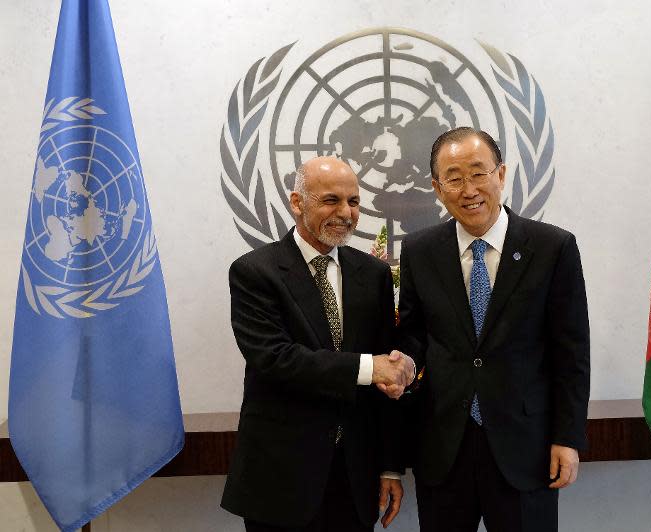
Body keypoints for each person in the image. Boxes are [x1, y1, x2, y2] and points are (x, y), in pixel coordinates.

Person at [398, 127, 590, 532]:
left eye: (478, 172)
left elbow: (571, 354)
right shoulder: (419, 251)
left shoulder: (552, 248)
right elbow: (413, 335)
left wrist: (567, 438)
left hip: (526, 446)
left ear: (501, 174)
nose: (468, 189)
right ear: (437, 187)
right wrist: (402, 361)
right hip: (444, 446)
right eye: (453, 177)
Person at [221, 156, 415, 532]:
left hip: (355, 478)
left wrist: (390, 466)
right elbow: (275, 359)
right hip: (281, 480)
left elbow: (384, 381)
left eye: (354, 202)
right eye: (331, 200)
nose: (345, 212)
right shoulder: (254, 271)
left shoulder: (373, 274)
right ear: (297, 202)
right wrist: (368, 367)